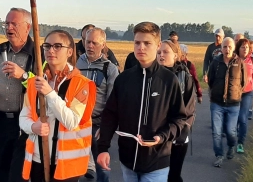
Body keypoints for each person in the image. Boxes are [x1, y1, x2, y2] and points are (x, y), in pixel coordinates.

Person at [97, 22, 186, 181]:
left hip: (157, 161)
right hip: (127, 160)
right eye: (137, 42)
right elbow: (110, 114)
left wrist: (162, 136)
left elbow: (179, 119)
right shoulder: (123, 79)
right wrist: (103, 148)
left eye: (147, 43)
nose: (141, 47)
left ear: (158, 45)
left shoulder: (169, 80)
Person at [20, 30, 96, 181]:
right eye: (47, 46)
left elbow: (72, 122)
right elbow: (24, 116)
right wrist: (33, 127)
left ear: (69, 51)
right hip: (38, 160)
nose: (51, 50)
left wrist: (50, 93)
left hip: (67, 165)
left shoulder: (81, 84)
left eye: (57, 46)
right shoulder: (34, 83)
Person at [0, 8, 36, 182]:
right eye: (6, 23)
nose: (8, 27)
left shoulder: (38, 54)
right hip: (1, 120)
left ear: (27, 27)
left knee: (19, 173)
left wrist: (24, 75)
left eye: (14, 23)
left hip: (25, 123)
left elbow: (44, 86)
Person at [76, 27, 119, 181]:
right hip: (76, 125)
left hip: (98, 126)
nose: (90, 46)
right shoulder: (75, 64)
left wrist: (106, 127)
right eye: (88, 42)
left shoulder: (111, 69)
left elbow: (113, 102)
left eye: (94, 43)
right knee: (76, 169)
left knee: (101, 168)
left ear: (103, 45)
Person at [157, 40, 196, 182]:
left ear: (175, 55)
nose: (161, 55)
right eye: (159, 52)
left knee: (173, 175)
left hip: (178, 136)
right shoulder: (151, 75)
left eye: (165, 52)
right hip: (156, 135)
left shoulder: (184, 76)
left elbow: (190, 106)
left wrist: (184, 129)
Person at [207, 37, 246, 167]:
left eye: (229, 47)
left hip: (233, 104)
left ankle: (231, 146)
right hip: (217, 103)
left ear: (233, 48)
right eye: (224, 47)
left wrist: (236, 93)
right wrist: (215, 93)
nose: (227, 49)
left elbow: (243, 83)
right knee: (217, 132)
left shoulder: (239, 62)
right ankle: (219, 155)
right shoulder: (216, 62)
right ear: (221, 48)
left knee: (230, 131)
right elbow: (211, 80)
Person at [234, 39, 253, 153]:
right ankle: (233, 134)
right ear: (238, 48)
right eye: (242, 47)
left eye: (246, 47)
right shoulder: (234, 60)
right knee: (234, 117)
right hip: (235, 92)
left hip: (248, 92)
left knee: (243, 118)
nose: (245, 49)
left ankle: (240, 142)